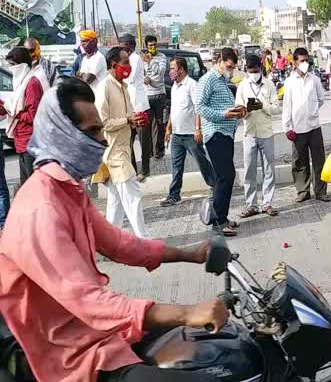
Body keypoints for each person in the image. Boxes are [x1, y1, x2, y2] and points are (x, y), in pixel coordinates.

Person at [0, 77, 227, 382]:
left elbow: (120, 244)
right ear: (62, 135)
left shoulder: (66, 190)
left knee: (211, 347)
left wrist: (192, 254)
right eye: (92, 131)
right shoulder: (42, 208)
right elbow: (90, 301)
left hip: (97, 334)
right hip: (69, 354)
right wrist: (188, 311)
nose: (103, 140)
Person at [96, 47, 148, 238]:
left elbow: (129, 115)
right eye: (125, 62)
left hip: (124, 149)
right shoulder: (104, 87)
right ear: (113, 64)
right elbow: (102, 122)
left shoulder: (124, 86)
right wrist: (128, 121)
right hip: (113, 152)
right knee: (133, 197)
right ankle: (144, 241)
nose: (129, 66)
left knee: (116, 201)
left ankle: (110, 241)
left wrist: (135, 119)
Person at [194, 48, 245, 237]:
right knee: (226, 176)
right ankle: (217, 220)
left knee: (225, 177)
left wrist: (237, 112)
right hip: (214, 133)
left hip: (227, 133)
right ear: (221, 60)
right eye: (229, 66)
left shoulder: (223, 81)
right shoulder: (207, 80)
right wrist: (223, 114)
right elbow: (199, 106)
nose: (231, 69)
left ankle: (221, 217)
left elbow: (223, 106)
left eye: (233, 67)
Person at [159, 57, 217, 207]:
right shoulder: (174, 86)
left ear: (181, 69)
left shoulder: (192, 85)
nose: (170, 72)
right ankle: (174, 195)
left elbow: (198, 108)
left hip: (191, 134)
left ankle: (216, 186)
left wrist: (198, 129)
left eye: (172, 68)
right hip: (177, 135)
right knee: (176, 166)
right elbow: (174, 109)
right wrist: (168, 128)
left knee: (201, 162)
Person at [282, 48, 329, 204]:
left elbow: (321, 98)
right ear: (295, 62)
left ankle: (320, 191)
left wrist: (313, 109)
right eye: (301, 61)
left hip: (314, 126)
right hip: (297, 128)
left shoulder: (314, 79)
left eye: (306, 60)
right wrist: (287, 127)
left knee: (319, 160)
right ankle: (303, 191)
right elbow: (286, 106)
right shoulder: (289, 82)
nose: (304, 63)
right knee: (299, 162)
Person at [236, 54, 280, 218]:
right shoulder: (242, 85)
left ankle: (267, 203)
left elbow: (276, 108)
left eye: (255, 70)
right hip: (249, 133)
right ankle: (251, 204)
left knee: (269, 168)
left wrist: (263, 106)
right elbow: (237, 109)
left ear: (260, 68)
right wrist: (246, 110)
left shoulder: (269, 85)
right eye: (249, 70)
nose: (253, 73)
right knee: (249, 170)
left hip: (266, 132)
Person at [5, 47, 43, 185]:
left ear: (22, 65)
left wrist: (15, 112)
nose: (11, 68)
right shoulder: (20, 83)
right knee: (26, 186)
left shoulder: (31, 84)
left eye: (13, 65)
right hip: (21, 141)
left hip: (30, 141)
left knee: (33, 187)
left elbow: (33, 116)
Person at [118, 34, 152, 181]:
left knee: (143, 142)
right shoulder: (125, 59)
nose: (121, 47)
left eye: (123, 45)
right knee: (128, 141)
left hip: (140, 106)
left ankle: (145, 170)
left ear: (131, 46)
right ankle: (132, 169)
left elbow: (129, 77)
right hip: (129, 108)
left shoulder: (135, 59)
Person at [143, 35, 168, 160]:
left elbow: (160, 72)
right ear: (146, 46)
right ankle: (150, 150)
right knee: (147, 125)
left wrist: (150, 61)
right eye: (150, 45)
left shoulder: (161, 57)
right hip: (147, 95)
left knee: (160, 123)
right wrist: (144, 79)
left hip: (159, 95)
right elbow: (139, 75)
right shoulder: (143, 58)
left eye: (154, 45)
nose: (152, 47)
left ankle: (159, 150)